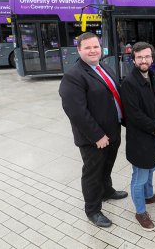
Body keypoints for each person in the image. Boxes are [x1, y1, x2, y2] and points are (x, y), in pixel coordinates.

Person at [59, 32, 127, 228]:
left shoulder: (103, 66)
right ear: (79, 50)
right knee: (93, 173)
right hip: (94, 138)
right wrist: (97, 135)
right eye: (87, 47)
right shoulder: (73, 76)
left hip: (112, 131)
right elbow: (76, 111)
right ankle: (93, 210)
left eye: (95, 46)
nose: (92, 50)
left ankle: (107, 191)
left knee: (107, 167)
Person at [121, 42, 155, 231]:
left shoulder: (152, 77)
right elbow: (134, 115)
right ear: (133, 60)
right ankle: (140, 211)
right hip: (141, 140)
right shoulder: (129, 83)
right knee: (139, 176)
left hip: (154, 136)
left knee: (151, 168)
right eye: (139, 57)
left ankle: (149, 196)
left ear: (152, 58)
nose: (144, 60)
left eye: (147, 57)